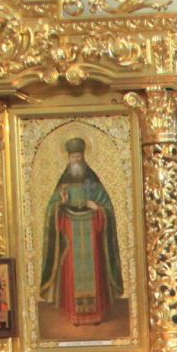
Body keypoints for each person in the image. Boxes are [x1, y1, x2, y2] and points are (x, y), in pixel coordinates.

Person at [39, 138, 124, 327]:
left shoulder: (93, 181)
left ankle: (95, 315)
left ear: (84, 157)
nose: (76, 160)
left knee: (94, 267)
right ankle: (74, 314)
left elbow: (107, 208)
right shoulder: (63, 184)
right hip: (70, 230)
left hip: (92, 229)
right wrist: (60, 204)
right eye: (73, 157)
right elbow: (52, 209)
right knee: (71, 268)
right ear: (68, 158)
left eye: (79, 156)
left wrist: (98, 208)